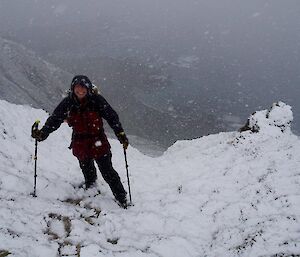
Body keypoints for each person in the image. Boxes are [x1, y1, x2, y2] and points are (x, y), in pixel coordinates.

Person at [31, 75, 129, 208]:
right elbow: (55, 119)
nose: (80, 91)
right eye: (77, 88)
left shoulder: (96, 100)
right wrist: (43, 134)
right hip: (80, 142)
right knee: (86, 165)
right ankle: (91, 184)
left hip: (98, 140)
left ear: (88, 89)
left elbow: (112, 117)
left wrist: (120, 134)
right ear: (73, 89)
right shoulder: (68, 102)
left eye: (83, 88)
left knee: (107, 170)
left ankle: (121, 197)